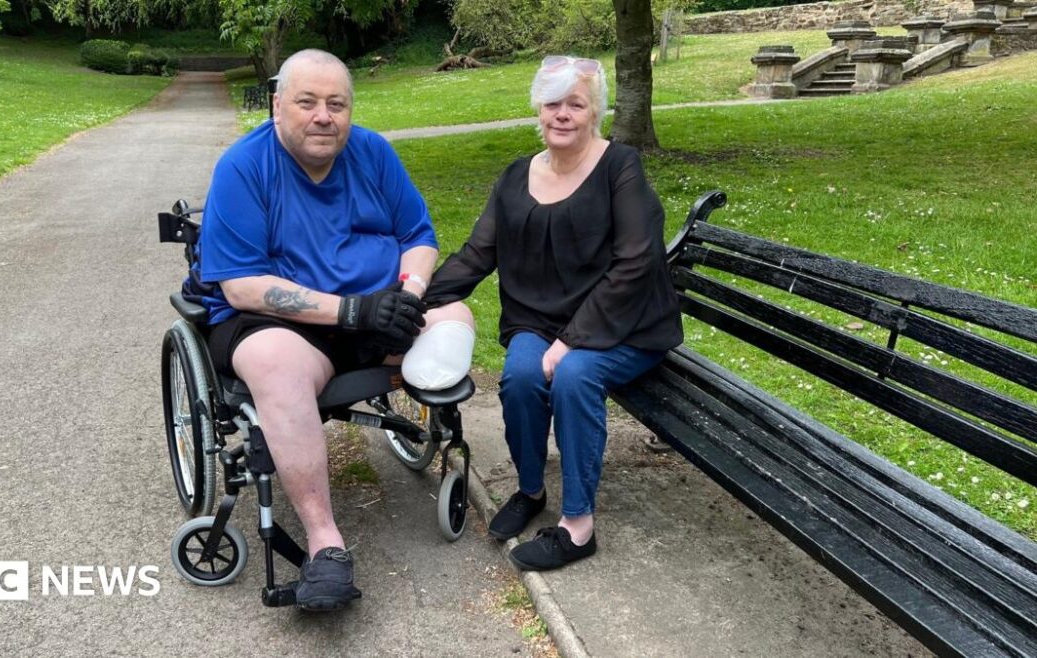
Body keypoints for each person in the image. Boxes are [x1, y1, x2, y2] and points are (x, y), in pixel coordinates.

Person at [194, 49, 473, 610]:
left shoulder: (372, 152)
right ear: (278, 106)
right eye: (307, 102)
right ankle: (325, 542)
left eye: (336, 104)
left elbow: (419, 236)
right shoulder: (244, 167)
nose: (324, 116)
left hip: (375, 310)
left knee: (455, 317)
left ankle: (416, 378)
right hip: (280, 327)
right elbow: (242, 287)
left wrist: (408, 297)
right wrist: (351, 312)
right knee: (274, 363)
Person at [423, 55, 683, 571]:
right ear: (537, 112)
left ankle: (578, 526)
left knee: (573, 377)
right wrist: (416, 301)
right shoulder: (516, 176)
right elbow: (478, 253)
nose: (562, 114)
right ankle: (530, 489)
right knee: (520, 377)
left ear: (594, 113)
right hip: (541, 322)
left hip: (623, 325)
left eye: (575, 103)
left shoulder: (619, 168)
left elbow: (636, 263)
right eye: (552, 103)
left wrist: (572, 341)